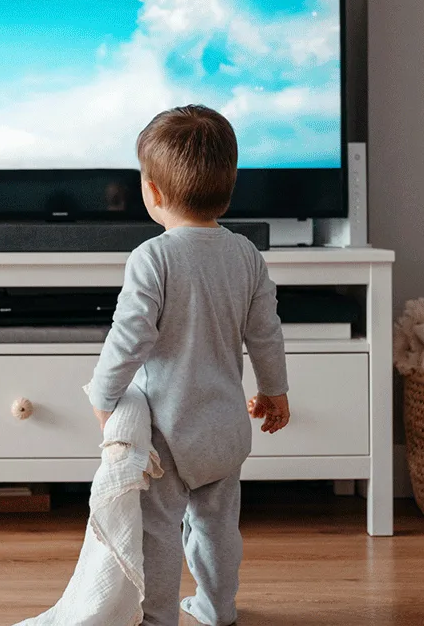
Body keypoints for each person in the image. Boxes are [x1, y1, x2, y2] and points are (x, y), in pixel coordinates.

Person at [87, 104, 291, 626]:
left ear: (152, 192)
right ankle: (218, 608)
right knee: (217, 528)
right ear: (230, 185)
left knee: (159, 531)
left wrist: (103, 396)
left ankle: (159, 617)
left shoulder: (153, 257)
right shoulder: (246, 255)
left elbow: (128, 339)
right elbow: (265, 333)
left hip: (169, 431)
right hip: (225, 428)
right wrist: (275, 391)